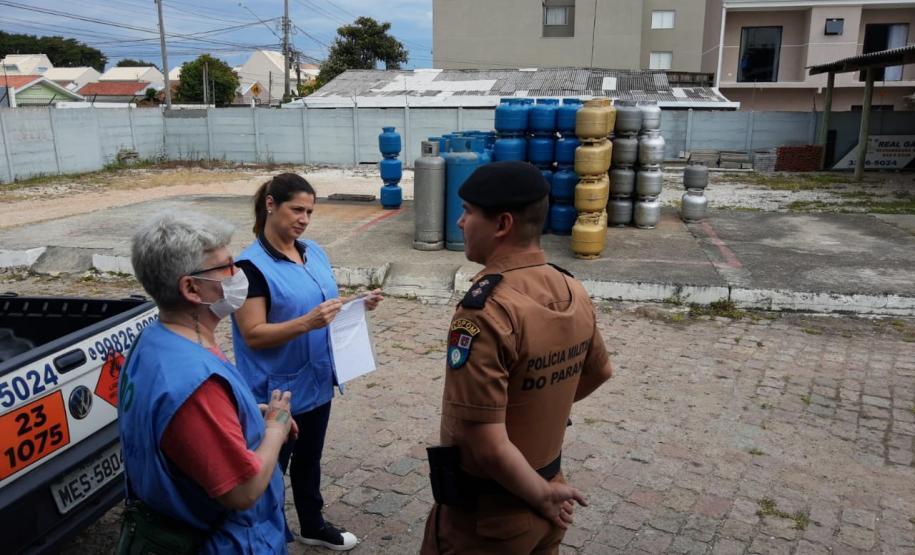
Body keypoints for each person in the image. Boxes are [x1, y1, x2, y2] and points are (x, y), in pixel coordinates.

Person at [420, 161, 615, 554]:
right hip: (548, 492)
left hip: (491, 518)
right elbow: (599, 372)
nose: (460, 222)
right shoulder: (572, 287)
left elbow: (488, 445)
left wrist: (540, 496)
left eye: (468, 212)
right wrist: (539, 407)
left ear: (502, 224)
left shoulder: (486, 310)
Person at [119, 211, 295, 554]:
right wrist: (276, 427)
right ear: (191, 287)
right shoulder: (194, 384)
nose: (238, 274)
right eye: (227, 267)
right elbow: (242, 491)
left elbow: (180, 429)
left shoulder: (154, 340)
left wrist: (245, 416)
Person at [232, 173, 383, 551]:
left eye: (309, 211)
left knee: (309, 460)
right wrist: (307, 323)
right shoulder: (249, 268)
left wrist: (355, 303)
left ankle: (313, 524)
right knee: (269, 469)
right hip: (276, 389)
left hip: (316, 379)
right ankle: (263, 535)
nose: (303, 219)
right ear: (271, 205)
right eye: (296, 209)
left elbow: (319, 302)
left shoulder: (313, 250)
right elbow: (253, 333)